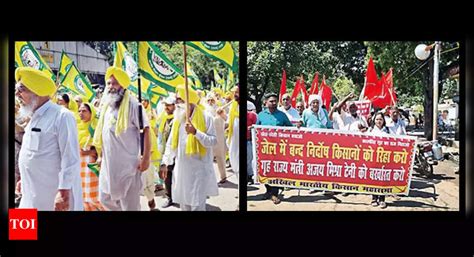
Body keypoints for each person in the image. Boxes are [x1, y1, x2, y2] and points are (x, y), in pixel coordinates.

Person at [15, 67, 83, 211]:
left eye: (22, 89)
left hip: (52, 197)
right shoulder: (33, 116)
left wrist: (63, 192)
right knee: (19, 232)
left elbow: (71, 159)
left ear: (36, 91)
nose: (17, 94)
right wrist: (24, 178)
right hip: (29, 193)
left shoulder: (63, 116)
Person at [92, 67, 151, 211]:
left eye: (115, 83)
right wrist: (100, 156)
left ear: (123, 85)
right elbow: (104, 134)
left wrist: (146, 158)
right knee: (105, 199)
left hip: (129, 167)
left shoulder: (134, 105)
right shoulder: (107, 106)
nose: (111, 87)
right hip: (108, 166)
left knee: (130, 207)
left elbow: (146, 131)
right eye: (109, 83)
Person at [162, 85, 218, 211]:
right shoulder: (177, 120)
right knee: (185, 206)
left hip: (199, 171)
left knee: (198, 206)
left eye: (179, 100)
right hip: (182, 172)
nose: (177, 103)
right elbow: (170, 144)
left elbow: (213, 141)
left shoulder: (206, 117)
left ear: (189, 100)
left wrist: (195, 132)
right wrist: (165, 162)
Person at [256, 93, 293, 204]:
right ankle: (268, 190)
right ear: (266, 103)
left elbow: (290, 129)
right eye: (271, 101)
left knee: (276, 170)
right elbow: (256, 128)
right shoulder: (261, 115)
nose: (273, 103)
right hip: (264, 148)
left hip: (278, 149)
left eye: (275, 101)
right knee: (266, 169)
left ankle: (274, 194)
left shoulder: (282, 115)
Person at [77, 102, 105, 211]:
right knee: (84, 194)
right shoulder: (77, 126)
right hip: (80, 164)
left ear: (91, 112)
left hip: (93, 164)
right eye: (79, 111)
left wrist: (89, 152)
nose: (81, 113)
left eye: (84, 111)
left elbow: (101, 144)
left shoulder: (96, 127)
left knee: (96, 194)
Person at [157, 94, 177, 208]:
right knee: (167, 176)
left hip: (176, 153)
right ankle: (169, 197)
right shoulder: (164, 118)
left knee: (178, 176)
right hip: (166, 152)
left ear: (174, 106)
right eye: (165, 105)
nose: (166, 107)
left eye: (169, 105)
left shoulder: (178, 118)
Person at [367, 112, 390, 209]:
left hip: (384, 159)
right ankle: (374, 198)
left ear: (383, 120)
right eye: (377, 119)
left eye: (380, 119)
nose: (379, 121)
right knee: (374, 178)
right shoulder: (371, 130)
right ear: (374, 120)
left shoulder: (387, 130)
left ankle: (382, 199)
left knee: (383, 179)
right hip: (373, 158)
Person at [227, 86, 239, 181]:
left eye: (237, 92)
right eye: (234, 92)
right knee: (234, 158)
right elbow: (228, 122)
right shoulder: (232, 105)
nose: (235, 94)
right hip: (233, 139)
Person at [247, 100, 257, 184]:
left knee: (249, 159)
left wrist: (251, 127)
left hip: (249, 140)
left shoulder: (252, 115)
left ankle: (250, 176)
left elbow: (257, 126)